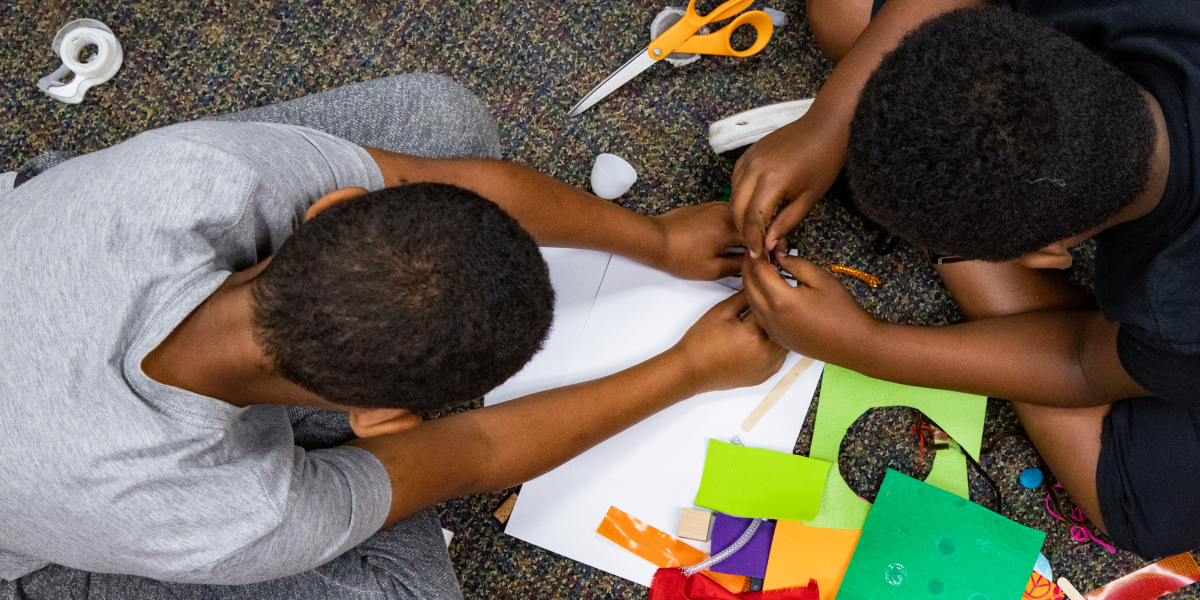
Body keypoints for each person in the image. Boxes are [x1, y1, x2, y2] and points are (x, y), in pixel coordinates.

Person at [0, 74, 785, 599]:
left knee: (444, 123)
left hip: (52, 232)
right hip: (39, 524)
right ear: (373, 417)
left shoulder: (201, 177)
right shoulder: (228, 514)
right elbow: (471, 454)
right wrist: (686, 368)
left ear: (332, 208)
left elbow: (466, 185)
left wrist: (653, 240)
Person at [732, 0, 1199, 559]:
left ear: (1046, 255)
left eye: (948, 251)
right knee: (842, 14)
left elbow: (1080, 362)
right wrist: (826, 125)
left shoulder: (1177, 315)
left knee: (1141, 502)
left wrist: (864, 345)